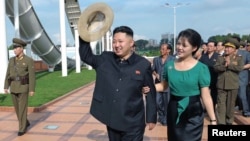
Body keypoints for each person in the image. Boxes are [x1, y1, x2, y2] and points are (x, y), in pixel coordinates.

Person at [79, 26, 157, 141]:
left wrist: (151, 117)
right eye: (114, 41)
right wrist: (84, 35)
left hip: (133, 122)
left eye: (120, 41)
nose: (116, 45)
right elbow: (86, 56)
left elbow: (150, 92)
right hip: (113, 120)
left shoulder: (143, 65)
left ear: (131, 43)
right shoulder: (105, 59)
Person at [144, 28, 216, 141]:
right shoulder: (169, 66)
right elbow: (164, 86)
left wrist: (213, 120)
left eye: (184, 45)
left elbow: (206, 96)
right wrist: (149, 88)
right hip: (174, 108)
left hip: (193, 111)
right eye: (178, 44)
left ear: (194, 47)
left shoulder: (201, 68)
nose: (179, 47)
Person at [3, 38, 36, 136]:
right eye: (14, 48)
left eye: (16, 48)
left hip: (23, 87)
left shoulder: (28, 60)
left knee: (22, 109)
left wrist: (31, 89)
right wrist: (6, 86)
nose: (14, 50)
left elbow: (32, 76)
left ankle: (22, 128)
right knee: (17, 109)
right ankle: (25, 121)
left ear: (21, 48)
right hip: (13, 87)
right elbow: (8, 73)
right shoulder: (11, 60)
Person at [214, 38, 244, 124]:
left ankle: (229, 121)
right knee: (221, 105)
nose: (227, 49)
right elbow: (216, 68)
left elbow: (240, 68)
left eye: (229, 47)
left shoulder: (238, 58)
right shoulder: (220, 58)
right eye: (226, 47)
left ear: (234, 49)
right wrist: (224, 66)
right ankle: (221, 123)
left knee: (230, 105)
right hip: (221, 85)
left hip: (233, 85)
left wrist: (230, 64)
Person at [151, 43, 175, 126]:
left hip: (168, 85)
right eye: (161, 48)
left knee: (167, 102)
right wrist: (155, 73)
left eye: (163, 49)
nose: (161, 50)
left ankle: (166, 118)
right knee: (157, 102)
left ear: (168, 50)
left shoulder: (173, 59)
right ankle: (161, 116)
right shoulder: (156, 59)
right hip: (158, 85)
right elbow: (152, 69)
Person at [199, 40, 219, 108]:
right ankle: (205, 107)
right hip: (205, 79)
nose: (209, 47)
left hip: (215, 79)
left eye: (211, 46)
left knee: (214, 95)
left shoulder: (218, 56)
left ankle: (212, 108)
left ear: (215, 47)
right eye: (208, 46)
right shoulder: (203, 56)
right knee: (203, 95)